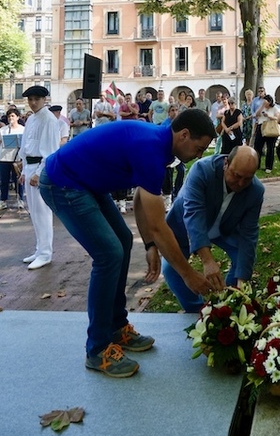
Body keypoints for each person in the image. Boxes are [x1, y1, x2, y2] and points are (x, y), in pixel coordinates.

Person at [39, 109, 216, 378]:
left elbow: (140, 202)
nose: (199, 155)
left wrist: (149, 246)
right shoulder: (151, 149)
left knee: (122, 240)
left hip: (86, 183)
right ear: (183, 135)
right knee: (109, 254)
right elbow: (159, 225)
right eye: (199, 148)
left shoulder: (161, 143)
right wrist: (188, 274)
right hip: (63, 183)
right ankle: (97, 349)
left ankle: (116, 327)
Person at [163, 145, 264, 312]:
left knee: (243, 259)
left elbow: (249, 233)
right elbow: (193, 214)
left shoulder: (256, 191)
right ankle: (198, 310)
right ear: (226, 163)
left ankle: (229, 303)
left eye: (247, 179)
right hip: (186, 225)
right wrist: (207, 260)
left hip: (224, 230)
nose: (240, 184)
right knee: (170, 268)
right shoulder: (202, 170)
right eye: (236, 176)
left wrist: (242, 279)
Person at [18, 86, 60, 269]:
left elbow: (51, 150)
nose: (33, 102)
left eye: (36, 99)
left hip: (40, 167)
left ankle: (45, 253)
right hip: (30, 165)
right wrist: (25, 171)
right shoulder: (31, 119)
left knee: (42, 212)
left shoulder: (49, 119)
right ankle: (39, 248)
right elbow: (26, 144)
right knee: (34, 212)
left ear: (44, 99)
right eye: (30, 99)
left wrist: (38, 172)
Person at [0, 109, 24, 210]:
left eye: (13, 116)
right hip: (4, 158)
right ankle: (3, 200)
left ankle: (20, 199)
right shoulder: (3, 130)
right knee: (4, 180)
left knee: (18, 180)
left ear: (18, 117)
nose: (11, 118)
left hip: (17, 158)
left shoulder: (23, 129)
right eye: (9, 116)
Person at [253, 94, 280, 173]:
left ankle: (269, 166)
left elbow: (277, 117)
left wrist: (269, 116)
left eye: (266, 101)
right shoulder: (262, 107)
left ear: (270, 101)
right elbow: (256, 114)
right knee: (257, 147)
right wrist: (262, 106)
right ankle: (257, 165)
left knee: (270, 148)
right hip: (261, 126)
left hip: (270, 127)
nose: (265, 102)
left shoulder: (274, 108)